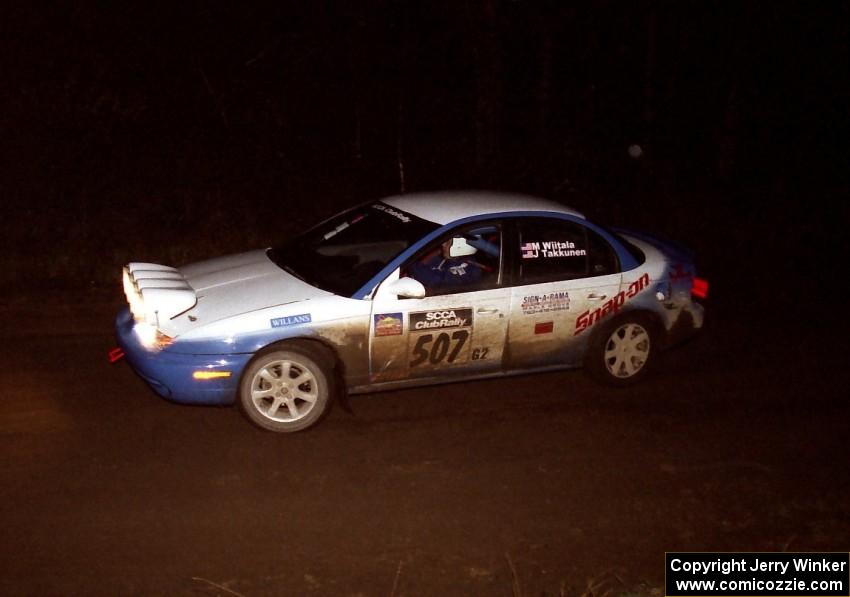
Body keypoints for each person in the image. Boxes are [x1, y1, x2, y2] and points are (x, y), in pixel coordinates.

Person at [409, 238, 482, 290]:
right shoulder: (444, 258)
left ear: (459, 247)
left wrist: (437, 252)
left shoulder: (471, 268)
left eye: (447, 242)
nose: (443, 244)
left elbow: (420, 271)